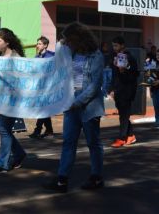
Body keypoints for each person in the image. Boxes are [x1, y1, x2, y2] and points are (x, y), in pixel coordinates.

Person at [43, 22, 105, 193]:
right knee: (68, 142)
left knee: (93, 143)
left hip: (89, 105)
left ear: (78, 39)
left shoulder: (96, 55)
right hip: (71, 102)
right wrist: (61, 43)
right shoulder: (71, 52)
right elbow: (58, 65)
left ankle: (97, 177)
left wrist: (76, 102)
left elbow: (95, 85)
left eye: (70, 40)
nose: (67, 43)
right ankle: (62, 179)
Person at [0, 28, 27, 175]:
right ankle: (20, 154)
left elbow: (21, 80)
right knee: (4, 130)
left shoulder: (16, 58)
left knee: (4, 129)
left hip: (11, 100)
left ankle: (2, 163)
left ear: (7, 42)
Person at [110, 36, 139, 148]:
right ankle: (130, 135)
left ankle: (122, 138)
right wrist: (112, 89)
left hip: (127, 91)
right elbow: (114, 76)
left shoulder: (130, 57)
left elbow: (135, 74)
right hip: (118, 90)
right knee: (123, 115)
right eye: (113, 45)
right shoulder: (115, 57)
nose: (114, 47)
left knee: (123, 115)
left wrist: (125, 69)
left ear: (122, 45)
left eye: (116, 45)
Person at [29, 36, 55, 139]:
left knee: (43, 109)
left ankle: (38, 130)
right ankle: (48, 131)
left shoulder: (51, 56)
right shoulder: (37, 57)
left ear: (45, 45)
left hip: (48, 87)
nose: (37, 45)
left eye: (39, 44)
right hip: (40, 87)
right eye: (37, 43)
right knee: (44, 109)